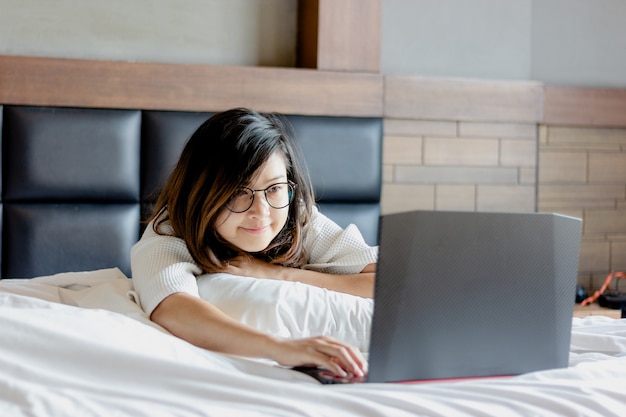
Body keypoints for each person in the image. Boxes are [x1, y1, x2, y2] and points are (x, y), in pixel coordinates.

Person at [131, 108, 377, 378]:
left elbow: (388, 283)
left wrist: (278, 274)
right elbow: (173, 308)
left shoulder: (298, 217)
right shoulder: (170, 229)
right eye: (239, 192)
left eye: (274, 188)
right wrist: (279, 347)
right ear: (202, 192)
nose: (261, 211)